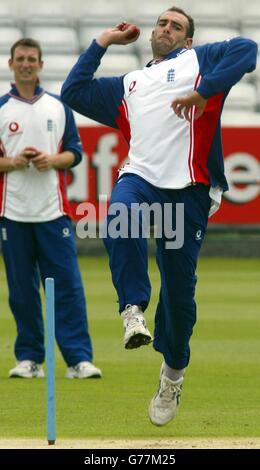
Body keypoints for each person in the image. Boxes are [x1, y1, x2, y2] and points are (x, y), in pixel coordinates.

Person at [61, 7, 257, 424]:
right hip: (141, 178)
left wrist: (206, 93)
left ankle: (172, 374)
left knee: (180, 296)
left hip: (188, 190)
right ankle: (132, 308)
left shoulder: (200, 61)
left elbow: (248, 48)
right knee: (119, 216)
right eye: (163, 23)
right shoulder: (128, 84)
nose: (167, 29)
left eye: (177, 26)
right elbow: (74, 92)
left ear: (188, 39)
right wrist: (103, 42)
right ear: (152, 33)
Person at [0, 38, 102, 380]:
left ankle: (78, 359)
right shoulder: (2, 108)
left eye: (32, 59)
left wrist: (50, 160)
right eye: (20, 59)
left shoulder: (57, 107)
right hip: (12, 213)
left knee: (67, 286)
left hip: (53, 212)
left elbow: (75, 152)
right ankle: (29, 358)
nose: (26, 64)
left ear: (41, 65)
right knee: (22, 290)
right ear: (11, 64)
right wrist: (12, 162)